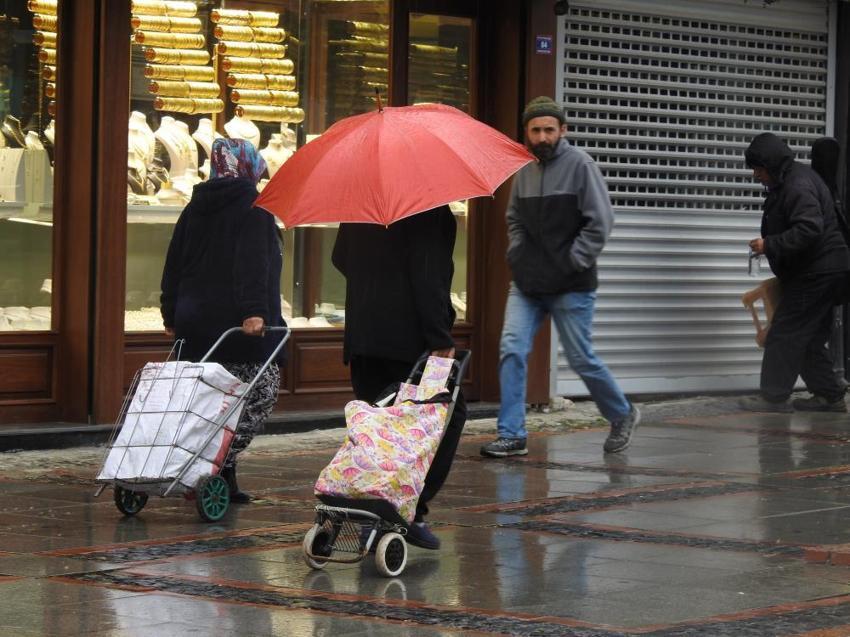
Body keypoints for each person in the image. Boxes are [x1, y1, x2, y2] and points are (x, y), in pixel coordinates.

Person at [480, 96, 639, 459]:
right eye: (535, 130)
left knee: (581, 358)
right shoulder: (524, 169)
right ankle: (512, 435)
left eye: (549, 129)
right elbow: (514, 219)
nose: (542, 136)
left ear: (562, 130)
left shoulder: (581, 165)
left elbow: (601, 221)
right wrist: (517, 254)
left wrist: (572, 260)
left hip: (571, 282)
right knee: (512, 350)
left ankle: (622, 413)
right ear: (526, 133)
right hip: (528, 282)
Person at [331, 205, 466, 550]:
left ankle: (371, 515)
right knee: (446, 418)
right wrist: (440, 337)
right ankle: (408, 510)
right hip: (409, 341)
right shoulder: (429, 208)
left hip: (364, 336)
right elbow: (428, 274)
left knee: (376, 430)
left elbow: (340, 257)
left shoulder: (363, 203)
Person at [160, 138, 286, 502]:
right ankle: (207, 468)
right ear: (249, 166)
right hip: (237, 327)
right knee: (259, 394)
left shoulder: (193, 208)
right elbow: (253, 264)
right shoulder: (254, 209)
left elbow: (174, 265)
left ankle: (222, 476)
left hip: (194, 325)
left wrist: (171, 313)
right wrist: (254, 312)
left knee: (209, 403)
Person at [739, 132, 850, 413]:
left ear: (772, 164)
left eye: (759, 169)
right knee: (808, 335)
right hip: (826, 269)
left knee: (785, 331)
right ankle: (830, 395)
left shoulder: (797, 184)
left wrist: (770, 244)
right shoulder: (789, 180)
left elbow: (809, 228)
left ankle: (773, 397)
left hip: (818, 271)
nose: (756, 175)